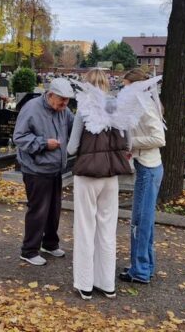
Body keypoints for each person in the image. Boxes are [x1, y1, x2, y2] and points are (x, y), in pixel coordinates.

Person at [67, 69, 132, 300]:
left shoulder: (83, 110)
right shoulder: (119, 109)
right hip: (111, 176)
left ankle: (85, 284)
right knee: (107, 229)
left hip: (87, 175)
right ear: (106, 84)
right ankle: (107, 283)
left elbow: (72, 147)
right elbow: (129, 143)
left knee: (85, 228)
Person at [13, 78, 75, 266]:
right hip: (36, 169)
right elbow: (19, 137)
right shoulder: (32, 108)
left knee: (54, 209)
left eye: (67, 101)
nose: (65, 105)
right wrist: (43, 144)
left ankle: (50, 243)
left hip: (55, 168)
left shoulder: (64, 111)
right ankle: (29, 250)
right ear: (50, 95)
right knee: (38, 210)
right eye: (61, 100)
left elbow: (75, 127)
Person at [119, 69, 166, 284]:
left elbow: (159, 138)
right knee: (142, 219)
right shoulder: (141, 104)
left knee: (140, 220)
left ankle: (140, 271)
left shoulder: (146, 106)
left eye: (126, 85)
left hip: (149, 168)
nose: (123, 89)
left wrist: (130, 143)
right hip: (146, 165)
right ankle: (144, 265)